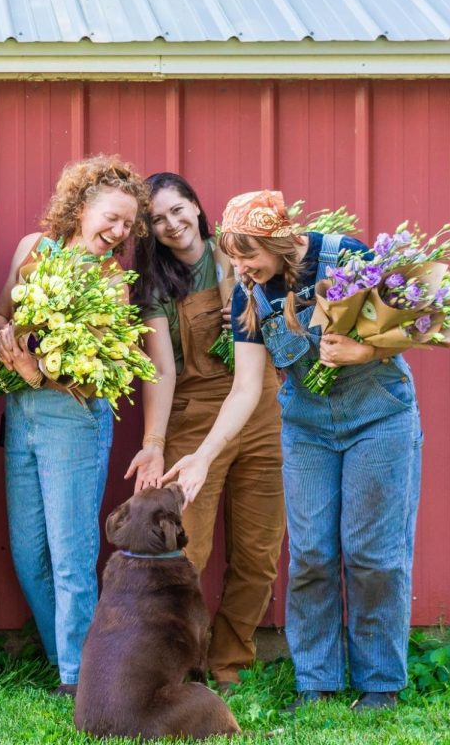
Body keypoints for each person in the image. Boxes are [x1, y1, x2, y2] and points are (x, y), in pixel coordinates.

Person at [163, 190, 422, 713]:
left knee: (372, 554)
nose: (241, 269)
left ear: (280, 243)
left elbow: (414, 324)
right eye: (234, 259)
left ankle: (380, 683)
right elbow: (244, 389)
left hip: (379, 419)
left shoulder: (346, 255)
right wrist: (204, 455)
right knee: (311, 556)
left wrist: (365, 349)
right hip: (306, 429)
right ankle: (317, 682)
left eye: (250, 257)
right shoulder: (247, 294)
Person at [0, 155, 149, 697]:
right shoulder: (34, 249)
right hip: (19, 411)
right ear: (81, 208)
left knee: (71, 554)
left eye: (128, 224)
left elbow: (104, 377)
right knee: (29, 551)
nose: (118, 231)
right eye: (111, 217)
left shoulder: (112, 284)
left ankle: (77, 677)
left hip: (73, 421)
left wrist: (43, 371)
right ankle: (71, 654)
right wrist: (5, 337)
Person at [124, 173, 285, 695]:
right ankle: (177, 662)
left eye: (178, 210)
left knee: (259, 552)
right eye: (158, 220)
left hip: (262, 412)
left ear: (197, 205)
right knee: (185, 549)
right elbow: (163, 372)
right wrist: (154, 442)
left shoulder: (241, 256)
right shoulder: (153, 286)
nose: (172, 225)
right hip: (194, 420)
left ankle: (230, 658)